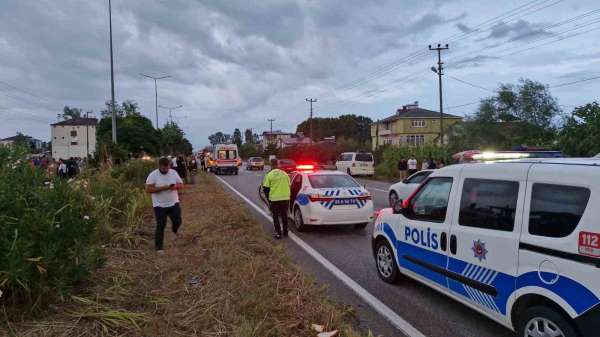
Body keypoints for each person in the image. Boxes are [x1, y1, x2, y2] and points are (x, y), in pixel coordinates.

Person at [145, 157, 184, 254]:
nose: (165, 170)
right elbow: (148, 189)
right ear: (159, 166)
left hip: (173, 202)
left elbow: (181, 184)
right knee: (161, 225)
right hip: (159, 205)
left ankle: (174, 230)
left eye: (167, 168)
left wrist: (174, 187)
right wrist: (163, 188)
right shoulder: (153, 175)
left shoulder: (173, 173)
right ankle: (159, 248)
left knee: (178, 221)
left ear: (169, 166)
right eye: (163, 169)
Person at [262, 158, 291, 239]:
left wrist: (268, 199)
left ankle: (278, 233)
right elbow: (289, 184)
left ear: (271, 165)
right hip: (285, 198)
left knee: (275, 216)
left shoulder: (269, 175)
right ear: (278, 164)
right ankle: (285, 232)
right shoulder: (284, 174)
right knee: (284, 215)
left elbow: (266, 189)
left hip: (274, 199)